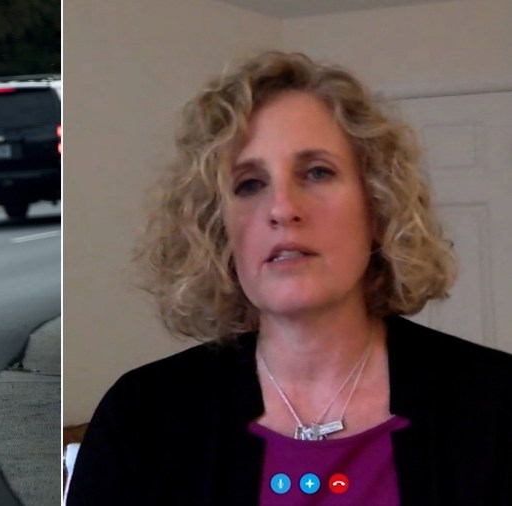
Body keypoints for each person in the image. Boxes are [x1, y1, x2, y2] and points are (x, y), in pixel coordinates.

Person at [66, 51, 512, 505]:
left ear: (376, 206)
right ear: (217, 229)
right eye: (249, 184)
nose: (282, 208)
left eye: (317, 173)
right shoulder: (142, 417)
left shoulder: (496, 404)